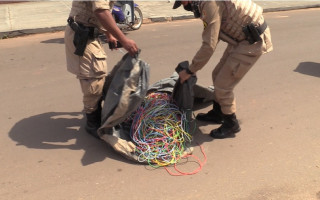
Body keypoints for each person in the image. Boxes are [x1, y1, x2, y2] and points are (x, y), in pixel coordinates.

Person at [173, 0, 273, 139]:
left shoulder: (209, 3)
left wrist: (190, 70)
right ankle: (218, 112)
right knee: (217, 74)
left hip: (251, 42)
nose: (184, 6)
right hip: (240, 39)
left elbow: (209, 45)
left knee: (223, 85)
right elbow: (214, 34)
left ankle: (231, 123)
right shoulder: (205, 4)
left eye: (182, 2)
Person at [64, 0, 139, 138]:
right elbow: (101, 11)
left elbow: (101, 10)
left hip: (88, 32)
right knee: (93, 80)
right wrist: (123, 39)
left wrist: (109, 34)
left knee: (98, 77)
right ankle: (92, 123)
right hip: (81, 36)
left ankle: (97, 111)